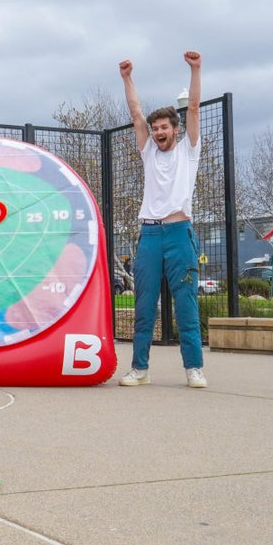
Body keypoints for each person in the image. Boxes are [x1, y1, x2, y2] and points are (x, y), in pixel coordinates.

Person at [117, 52, 207, 388]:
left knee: (186, 305)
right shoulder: (149, 151)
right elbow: (135, 112)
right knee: (144, 307)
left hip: (179, 232)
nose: (157, 132)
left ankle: (193, 368)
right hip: (150, 235)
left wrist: (195, 69)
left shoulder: (189, 150)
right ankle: (139, 369)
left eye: (164, 127)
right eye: (155, 129)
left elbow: (195, 106)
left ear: (175, 129)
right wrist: (127, 77)